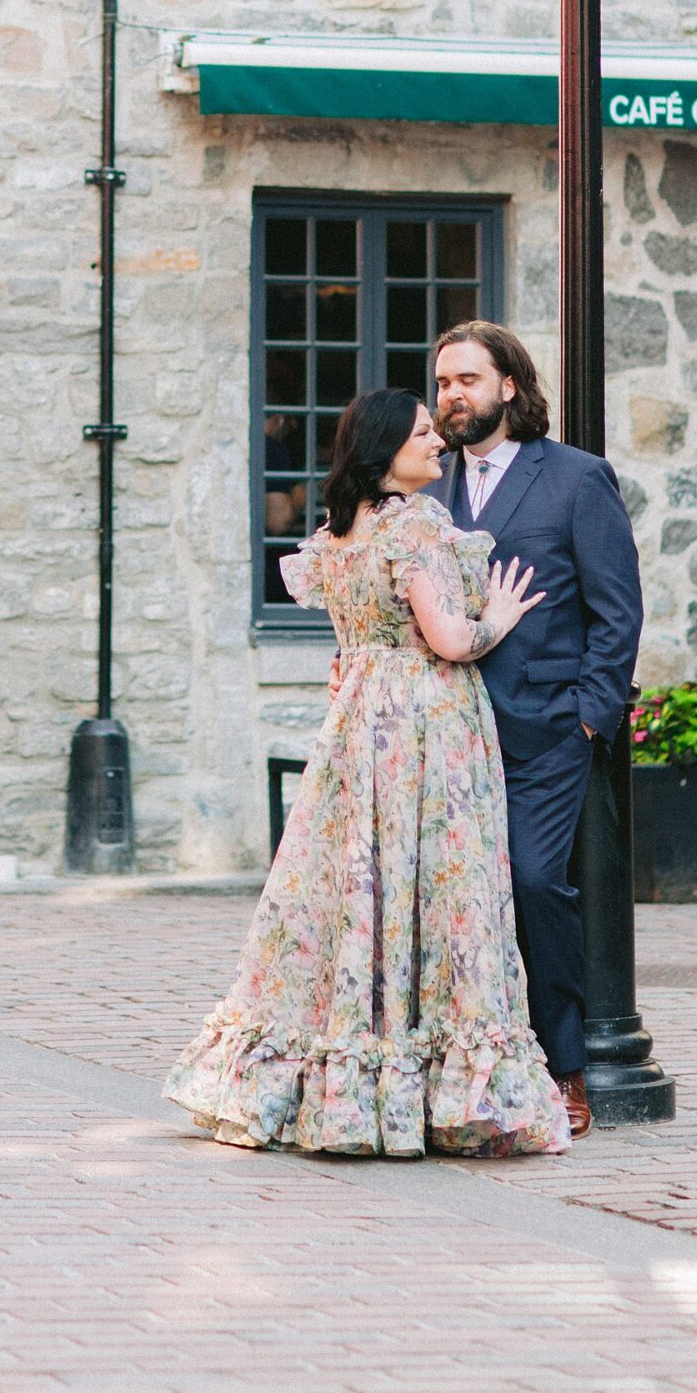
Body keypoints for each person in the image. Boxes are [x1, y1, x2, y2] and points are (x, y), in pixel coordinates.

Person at [165, 388, 572, 1159]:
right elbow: (449, 639)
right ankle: (439, 1087)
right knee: (439, 890)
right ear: (385, 448)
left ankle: (335, 1077)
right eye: (424, 433)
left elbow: (345, 648)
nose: (438, 445)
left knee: (353, 891)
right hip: (425, 725)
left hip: (357, 728)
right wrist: (504, 616)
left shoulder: (337, 536)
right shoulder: (415, 525)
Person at [431, 321, 645, 1141]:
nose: (451, 395)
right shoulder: (425, 490)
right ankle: (463, 1071)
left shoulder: (575, 479)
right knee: (455, 903)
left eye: (466, 381)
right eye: (443, 382)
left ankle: (565, 1067)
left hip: (548, 731)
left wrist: (590, 718)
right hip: (448, 733)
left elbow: (615, 610)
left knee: (530, 885)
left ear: (508, 388)